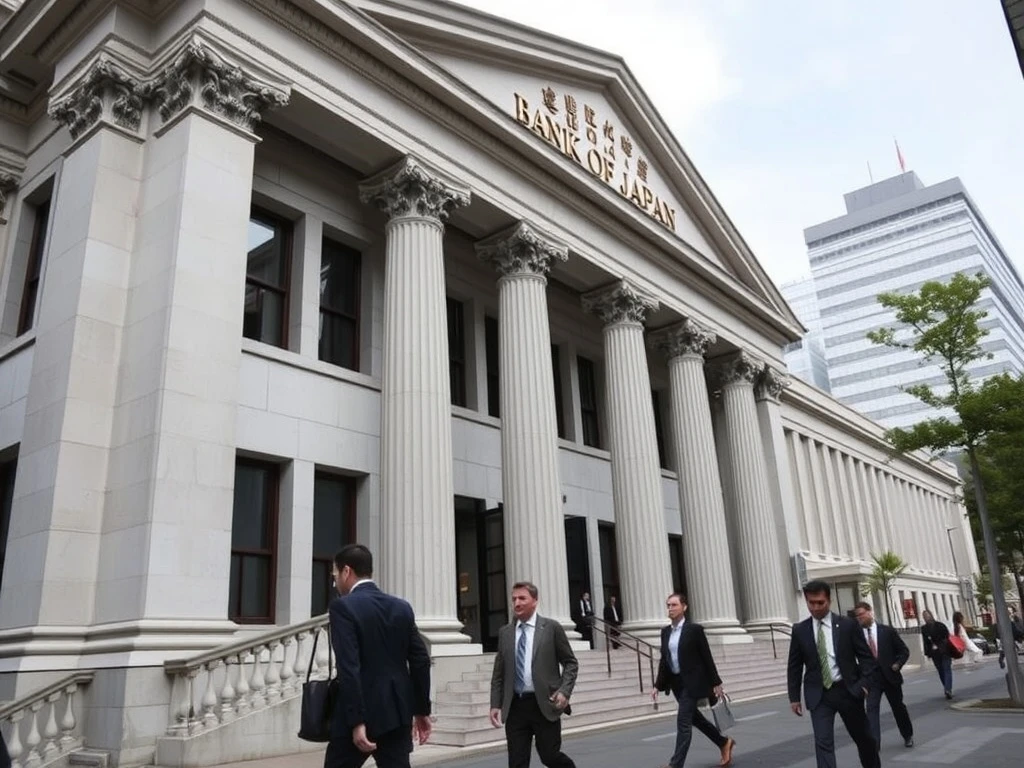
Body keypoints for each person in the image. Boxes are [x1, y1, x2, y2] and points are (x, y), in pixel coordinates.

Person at [325, 544, 432, 768]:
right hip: (398, 713)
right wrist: (421, 709)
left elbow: (349, 667)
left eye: (335, 574)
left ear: (347, 571)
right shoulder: (402, 607)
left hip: (360, 714)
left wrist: (357, 721)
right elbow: (421, 660)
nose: (335, 581)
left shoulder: (342, 607)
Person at [787, 580, 880, 768]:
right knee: (823, 744)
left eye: (820, 603)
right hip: (819, 695)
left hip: (848, 691)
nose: (815, 607)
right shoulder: (800, 630)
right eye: (811, 603)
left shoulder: (847, 625)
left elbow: (867, 659)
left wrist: (863, 685)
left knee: (864, 740)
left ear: (829, 601)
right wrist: (794, 697)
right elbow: (794, 665)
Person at [490, 581, 579, 768]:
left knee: (550, 757)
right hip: (515, 707)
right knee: (517, 763)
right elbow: (499, 673)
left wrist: (564, 691)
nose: (517, 603)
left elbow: (571, 663)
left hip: (544, 705)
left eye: (522, 598)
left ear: (535, 601)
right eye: (514, 599)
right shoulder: (505, 633)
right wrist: (495, 704)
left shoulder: (551, 628)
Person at [650, 593, 736, 768]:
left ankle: (676, 764)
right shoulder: (665, 632)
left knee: (683, 722)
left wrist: (716, 682)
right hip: (677, 684)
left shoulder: (694, 630)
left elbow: (706, 656)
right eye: (668, 605)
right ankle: (723, 742)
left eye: (674, 605)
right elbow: (664, 660)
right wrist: (657, 685)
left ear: (684, 607)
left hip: (693, 682)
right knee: (695, 719)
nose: (670, 609)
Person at [853, 601, 914, 749]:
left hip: (890, 677)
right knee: (871, 710)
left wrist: (898, 664)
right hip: (871, 679)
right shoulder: (857, 636)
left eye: (861, 614)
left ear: (869, 612)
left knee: (898, 708)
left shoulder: (887, 631)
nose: (859, 618)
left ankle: (907, 735)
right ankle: (875, 743)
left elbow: (904, 651)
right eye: (857, 616)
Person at [920, 609, 953, 699]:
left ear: (931, 615)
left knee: (947, 669)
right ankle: (946, 687)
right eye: (924, 616)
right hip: (934, 653)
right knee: (941, 671)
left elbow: (947, 637)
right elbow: (925, 642)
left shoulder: (940, 625)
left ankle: (948, 689)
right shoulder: (924, 629)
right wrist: (928, 653)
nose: (926, 617)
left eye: (927, 615)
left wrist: (942, 645)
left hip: (944, 651)